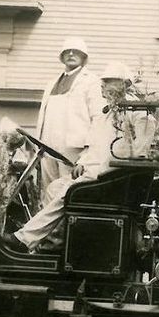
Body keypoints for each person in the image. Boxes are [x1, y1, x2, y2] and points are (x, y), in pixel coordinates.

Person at [2, 63, 156, 253]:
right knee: (53, 188)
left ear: (125, 84)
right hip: (96, 171)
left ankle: (24, 239)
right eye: (103, 81)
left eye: (108, 82)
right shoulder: (108, 113)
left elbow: (141, 153)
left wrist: (116, 168)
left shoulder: (138, 112)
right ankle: (55, 244)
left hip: (113, 177)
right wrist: (82, 162)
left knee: (69, 191)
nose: (102, 85)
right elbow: (94, 144)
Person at [35, 37, 105, 203]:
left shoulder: (91, 81)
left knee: (67, 194)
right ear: (62, 56)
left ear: (84, 56)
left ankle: (64, 228)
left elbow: (98, 119)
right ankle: (50, 229)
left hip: (73, 150)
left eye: (76, 51)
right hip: (47, 147)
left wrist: (87, 154)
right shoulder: (52, 83)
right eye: (67, 51)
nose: (71, 54)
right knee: (48, 192)